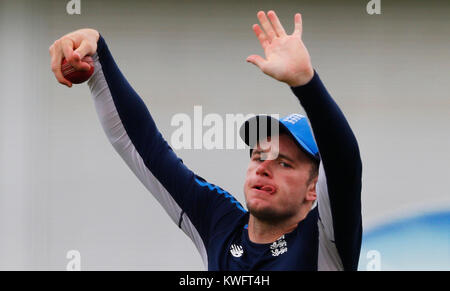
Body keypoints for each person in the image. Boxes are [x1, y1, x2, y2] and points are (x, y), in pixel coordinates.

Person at [49, 11, 362, 271]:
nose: (264, 168)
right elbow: (144, 147)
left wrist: (306, 83)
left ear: (313, 188)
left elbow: (344, 164)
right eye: (258, 156)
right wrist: (97, 53)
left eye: (284, 163)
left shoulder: (323, 240)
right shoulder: (220, 225)